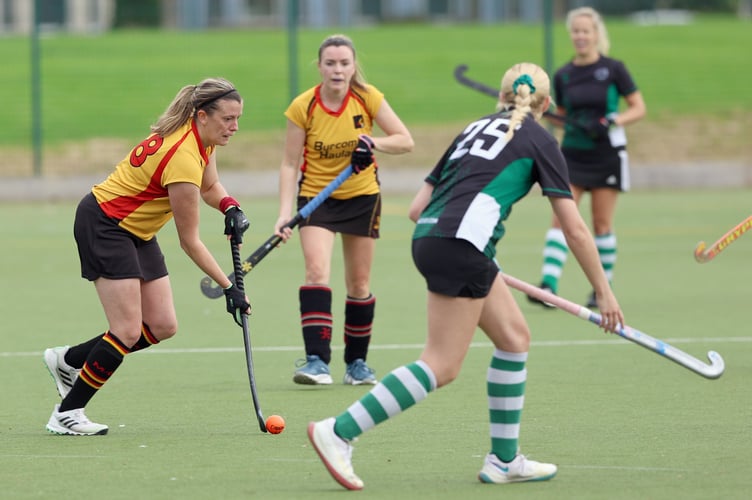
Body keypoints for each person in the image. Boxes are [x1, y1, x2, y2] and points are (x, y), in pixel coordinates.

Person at [306, 62, 625, 490]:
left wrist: (478, 257)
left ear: (502, 95)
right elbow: (574, 228)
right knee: (441, 364)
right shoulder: (541, 139)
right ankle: (339, 431)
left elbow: (419, 207)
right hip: (461, 247)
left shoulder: (473, 129)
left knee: (514, 339)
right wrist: (604, 291)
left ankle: (504, 461)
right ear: (546, 104)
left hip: (434, 238)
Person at [43, 77, 252, 436]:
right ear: (202, 116)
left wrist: (229, 206)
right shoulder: (184, 156)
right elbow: (190, 242)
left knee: (162, 325)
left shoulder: (203, 141)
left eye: (237, 119)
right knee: (125, 330)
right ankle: (68, 411)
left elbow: (211, 186)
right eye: (228, 119)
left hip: (136, 230)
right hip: (105, 225)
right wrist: (229, 286)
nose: (234, 127)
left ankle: (68, 360)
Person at [274, 34, 413, 386]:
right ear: (319, 66)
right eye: (331, 63)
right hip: (316, 200)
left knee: (359, 282)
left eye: (344, 63)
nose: (337, 70)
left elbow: (404, 140)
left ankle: (357, 364)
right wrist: (283, 212)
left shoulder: (367, 98)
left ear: (353, 67)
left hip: (362, 197)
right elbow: (290, 164)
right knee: (317, 271)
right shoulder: (303, 106)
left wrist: (373, 142)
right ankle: (317, 362)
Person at [528, 6, 646, 309]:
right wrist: (541, 112)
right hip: (572, 154)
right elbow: (563, 117)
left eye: (585, 31)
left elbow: (637, 107)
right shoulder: (564, 74)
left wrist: (612, 121)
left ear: (596, 34)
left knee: (601, 223)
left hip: (606, 152)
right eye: (576, 31)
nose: (580, 36)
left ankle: (602, 289)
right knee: (561, 218)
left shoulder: (614, 68)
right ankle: (548, 286)